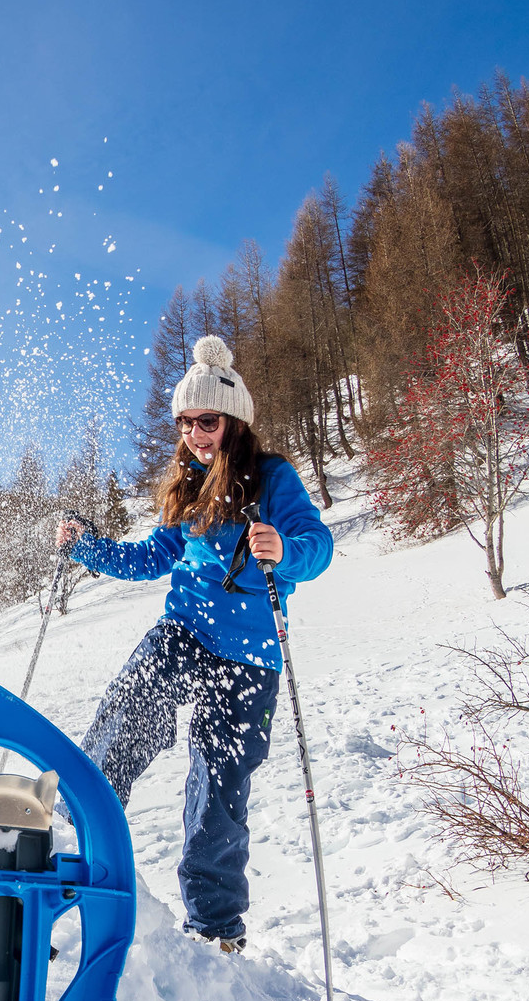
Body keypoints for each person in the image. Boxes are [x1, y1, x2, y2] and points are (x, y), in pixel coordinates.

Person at [55, 336, 333, 951]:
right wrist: (86, 547)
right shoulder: (186, 484)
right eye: (185, 422)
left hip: (249, 658)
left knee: (219, 791)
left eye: (206, 420)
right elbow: (154, 555)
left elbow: (320, 546)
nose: (195, 433)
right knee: (126, 713)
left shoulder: (271, 478)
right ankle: (67, 836)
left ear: (234, 420)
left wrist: (286, 552)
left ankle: (215, 930)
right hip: (184, 631)